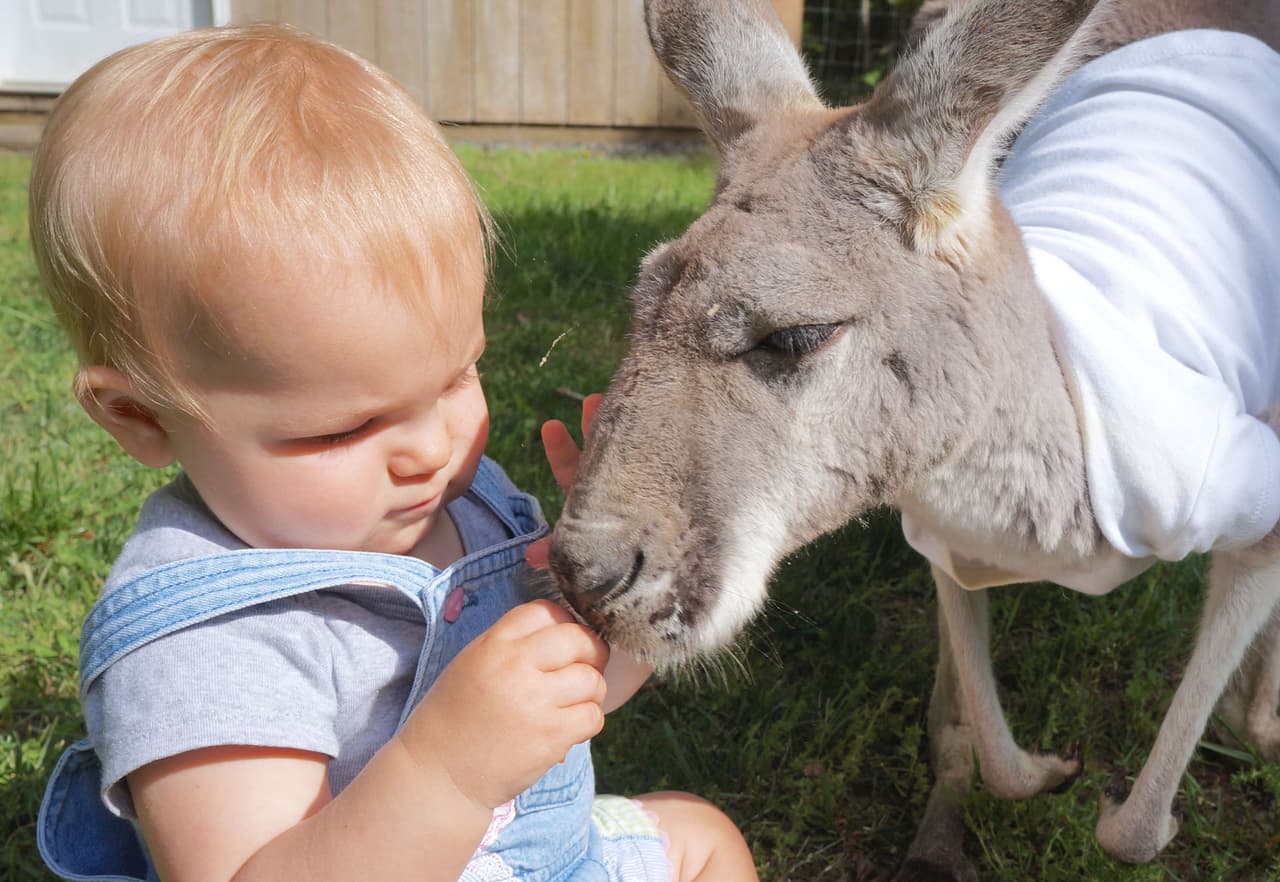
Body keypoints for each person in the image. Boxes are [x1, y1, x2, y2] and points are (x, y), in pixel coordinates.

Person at [30, 23, 758, 882]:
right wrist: (445, 771)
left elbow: (577, 694)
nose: (429, 448)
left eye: (457, 377)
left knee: (701, 836)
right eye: (342, 429)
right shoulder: (206, 645)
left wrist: (620, 589)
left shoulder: (462, 505)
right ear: (140, 417)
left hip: (539, 860)